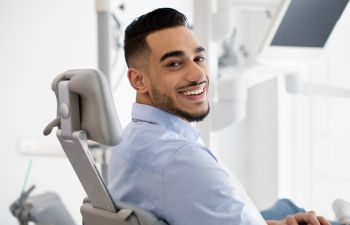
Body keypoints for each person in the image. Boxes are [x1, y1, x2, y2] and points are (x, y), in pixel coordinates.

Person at [107, 7, 333, 225]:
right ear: (138, 80)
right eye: (174, 64)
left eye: (198, 59)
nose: (198, 75)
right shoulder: (182, 160)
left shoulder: (127, 139)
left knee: (287, 207)